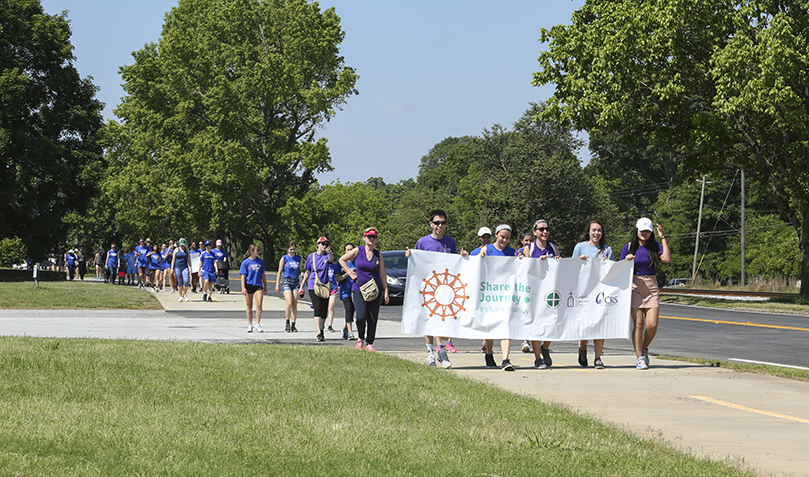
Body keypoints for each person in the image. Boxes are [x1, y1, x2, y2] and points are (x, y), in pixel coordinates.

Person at [405, 209, 467, 368]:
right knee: (428, 321)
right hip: (428, 288)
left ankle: (442, 352)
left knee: (444, 320)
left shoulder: (450, 242)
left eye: (443, 222)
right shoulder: (423, 242)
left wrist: (464, 257)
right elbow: (417, 263)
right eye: (437, 222)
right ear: (430, 223)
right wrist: (409, 256)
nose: (440, 225)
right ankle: (430, 354)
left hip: (445, 288)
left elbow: (455, 264)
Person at [620, 217, 672, 370]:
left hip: (651, 288)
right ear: (636, 230)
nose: (645, 233)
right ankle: (639, 358)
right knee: (638, 324)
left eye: (648, 231)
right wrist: (627, 260)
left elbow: (667, 258)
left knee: (652, 325)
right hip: (634, 287)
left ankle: (643, 347)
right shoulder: (629, 246)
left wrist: (663, 238)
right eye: (642, 231)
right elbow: (619, 268)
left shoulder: (655, 246)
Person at [471, 224, 520, 371]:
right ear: (497, 235)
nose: (505, 240)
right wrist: (478, 257)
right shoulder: (486, 249)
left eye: (508, 238)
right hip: (490, 293)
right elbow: (472, 265)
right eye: (502, 237)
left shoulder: (513, 252)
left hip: (506, 294)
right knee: (490, 326)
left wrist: (522, 259)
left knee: (506, 325)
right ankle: (489, 353)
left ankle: (506, 359)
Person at [572, 220, 615, 369]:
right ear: (589, 232)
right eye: (594, 230)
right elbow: (571, 268)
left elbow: (614, 272)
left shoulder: (607, 249)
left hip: (601, 292)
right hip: (584, 291)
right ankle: (582, 348)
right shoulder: (580, 247)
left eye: (599, 230)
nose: (597, 233)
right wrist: (579, 261)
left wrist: (609, 263)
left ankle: (598, 357)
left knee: (600, 324)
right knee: (585, 324)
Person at [339, 227, 389, 351]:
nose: (372, 239)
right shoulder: (358, 250)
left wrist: (386, 291)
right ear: (364, 238)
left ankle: (369, 343)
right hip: (359, 288)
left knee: (372, 317)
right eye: (369, 236)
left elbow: (382, 274)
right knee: (361, 316)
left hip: (375, 290)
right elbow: (342, 260)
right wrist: (350, 274)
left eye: (374, 237)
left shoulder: (378, 255)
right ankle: (360, 338)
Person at [522, 219, 560, 369]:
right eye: (541, 229)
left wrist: (558, 261)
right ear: (535, 232)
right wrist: (538, 262)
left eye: (547, 229)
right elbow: (524, 270)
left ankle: (545, 348)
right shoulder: (529, 249)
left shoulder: (553, 247)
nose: (545, 232)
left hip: (551, 292)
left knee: (553, 322)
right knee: (536, 325)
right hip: (535, 292)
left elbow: (560, 268)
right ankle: (537, 357)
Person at [299, 237, 331, 342]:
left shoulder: (327, 256)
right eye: (322, 244)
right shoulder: (311, 256)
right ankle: (318, 333)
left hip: (325, 285)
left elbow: (331, 260)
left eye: (326, 244)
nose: (324, 246)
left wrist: (330, 252)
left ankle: (321, 329)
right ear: (317, 244)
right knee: (317, 307)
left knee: (324, 311)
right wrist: (302, 285)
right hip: (313, 285)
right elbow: (307, 272)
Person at [239, 243, 267, 333]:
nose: (258, 252)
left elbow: (263, 274)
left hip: (258, 284)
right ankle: (250, 324)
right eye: (257, 250)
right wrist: (243, 287)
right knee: (249, 305)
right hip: (248, 285)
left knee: (259, 304)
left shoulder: (260, 261)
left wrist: (265, 286)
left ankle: (258, 324)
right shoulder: (246, 262)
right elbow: (243, 275)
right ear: (251, 252)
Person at [275, 241, 301, 332]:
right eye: (291, 249)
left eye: (294, 249)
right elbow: (279, 272)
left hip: (296, 282)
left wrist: (303, 274)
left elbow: (299, 270)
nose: (292, 251)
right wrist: (277, 284)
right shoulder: (284, 258)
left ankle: (293, 324)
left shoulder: (298, 258)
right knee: (289, 303)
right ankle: (287, 322)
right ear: (287, 249)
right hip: (287, 281)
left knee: (294, 304)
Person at [517, 230, 534, 354]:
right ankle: (525, 340)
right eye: (526, 240)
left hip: (533, 285)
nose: (528, 243)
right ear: (522, 241)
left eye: (530, 240)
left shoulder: (535, 252)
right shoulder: (516, 252)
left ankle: (533, 340)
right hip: (522, 286)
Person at [338, 243, 356, 340]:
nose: (349, 251)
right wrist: (347, 274)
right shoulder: (341, 262)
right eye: (348, 250)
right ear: (345, 252)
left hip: (356, 290)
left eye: (351, 249)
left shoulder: (358, 262)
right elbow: (337, 278)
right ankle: (350, 332)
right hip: (345, 291)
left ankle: (345, 328)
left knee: (353, 311)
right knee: (348, 309)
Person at [326, 246, 341, 333]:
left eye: (330, 253)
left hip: (333, 288)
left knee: (331, 307)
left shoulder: (335, 266)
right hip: (323, 288)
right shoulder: (322, 264)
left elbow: (337, 277)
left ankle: (330, 325)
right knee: (323, 308)